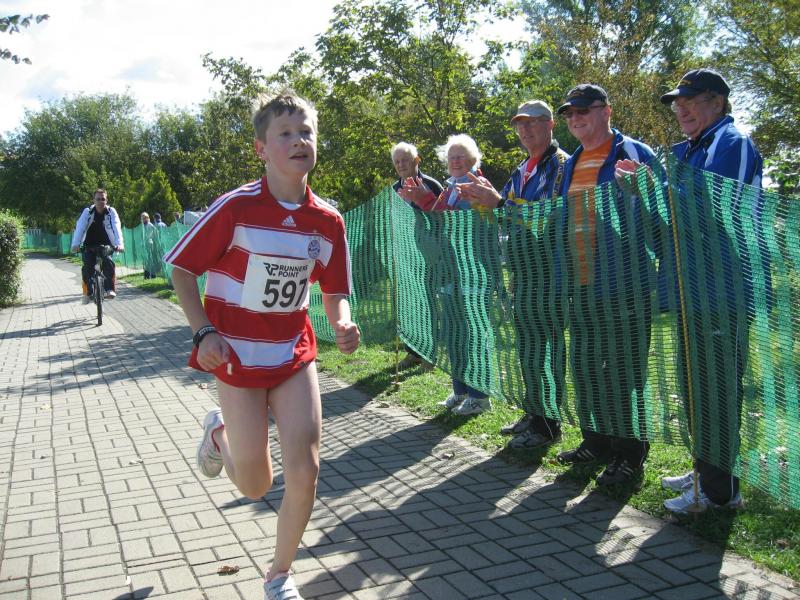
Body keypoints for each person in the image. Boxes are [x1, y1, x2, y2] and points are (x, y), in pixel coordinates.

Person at [164, 92, 360, 600]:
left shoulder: (328, 221)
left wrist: (342, 322)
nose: (299, 142)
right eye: (285, 134)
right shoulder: (236, 207)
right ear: (261, 148)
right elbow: (181, 269)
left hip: (292, 354)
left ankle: (278, 574)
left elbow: (333, 291)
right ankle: (219, 434)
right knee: (255, 486)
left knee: (306, 469)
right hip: (236, 356)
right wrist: (203, 332)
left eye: (306, 132)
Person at [653, 69, 763, 514]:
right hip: (692, 291)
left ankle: (719, 493)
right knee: (697, 388)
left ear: (717, 102)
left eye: (691, 100)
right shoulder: (692, 148)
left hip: (723, 293)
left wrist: (654, 184)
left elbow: (712, 207)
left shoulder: (732, 143)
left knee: (716, 391)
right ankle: (704, 469)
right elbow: (671, 216)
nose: (681, 109)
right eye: (677, 103)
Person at [553, 84, 657, 485]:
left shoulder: (632, 152)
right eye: (569, 113)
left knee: (623, 374)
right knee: (585, 368)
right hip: (581, 285)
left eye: (583, 110)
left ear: (606, 111)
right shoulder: (572, 162)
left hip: (624, 286)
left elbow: (659, 213)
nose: (575, 118)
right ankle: (595, 443)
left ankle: (630, 455)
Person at [458, 100, 569, 449]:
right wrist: (479, 203)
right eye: (520, 124)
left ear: (550, 124)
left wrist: (498, 204)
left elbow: (549, 216)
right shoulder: (522, 168)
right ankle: (533, 413)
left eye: (533, 122)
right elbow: (501, 215)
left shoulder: (562, 165)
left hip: (550, 274)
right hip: (523, 274)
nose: (525, 129)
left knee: (549, 351)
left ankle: (549, 425)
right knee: (528, 349)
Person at [398, 134, 496, 416]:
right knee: (454, 334)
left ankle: (479, 397)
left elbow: (458, 221)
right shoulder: (451, 186)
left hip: (473, 272)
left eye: (461, 156)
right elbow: (439, 220)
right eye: (451, 156)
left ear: (474, 159)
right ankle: (461, 391)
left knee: (472, 335)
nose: (455, 161)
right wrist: (422, 202)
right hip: (450, 271)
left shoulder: (477, 186)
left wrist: (425, 200)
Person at [391, 142, 443, 371]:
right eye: (397, 161)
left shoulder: (431, 185)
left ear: (416, 160)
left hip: (428, 256)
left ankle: (430, 355)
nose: (401, 165)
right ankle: (413, 351)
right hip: (404, 256)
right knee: (408, 305)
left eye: (406, 160)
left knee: (427, 305)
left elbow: (443, 220)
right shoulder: (394, 189)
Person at [70, 188, 124, 301]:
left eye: (103, 199)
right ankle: (87, 293)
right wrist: (75, 244)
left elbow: (116, 226)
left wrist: (119, 244)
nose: (100, 201)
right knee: (87, 267)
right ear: (94, 200)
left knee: (108, 262)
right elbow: (80, 227)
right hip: (89, 244)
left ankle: (109, 289)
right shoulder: (88, 212)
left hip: (106, 244)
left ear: (106, 200)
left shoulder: (111, 212)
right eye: (98, 199)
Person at [140, 212, 159, 279]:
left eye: (143, 218)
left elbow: (156, 232)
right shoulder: (143, 225)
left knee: (150, 259)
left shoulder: (150, 225)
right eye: (142, 218)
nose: (142, 219)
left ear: (147, 218)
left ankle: (152, 274)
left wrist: (151, 239)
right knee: (147, 259)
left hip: (149, 243)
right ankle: (147, 274)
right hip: (145, 244)